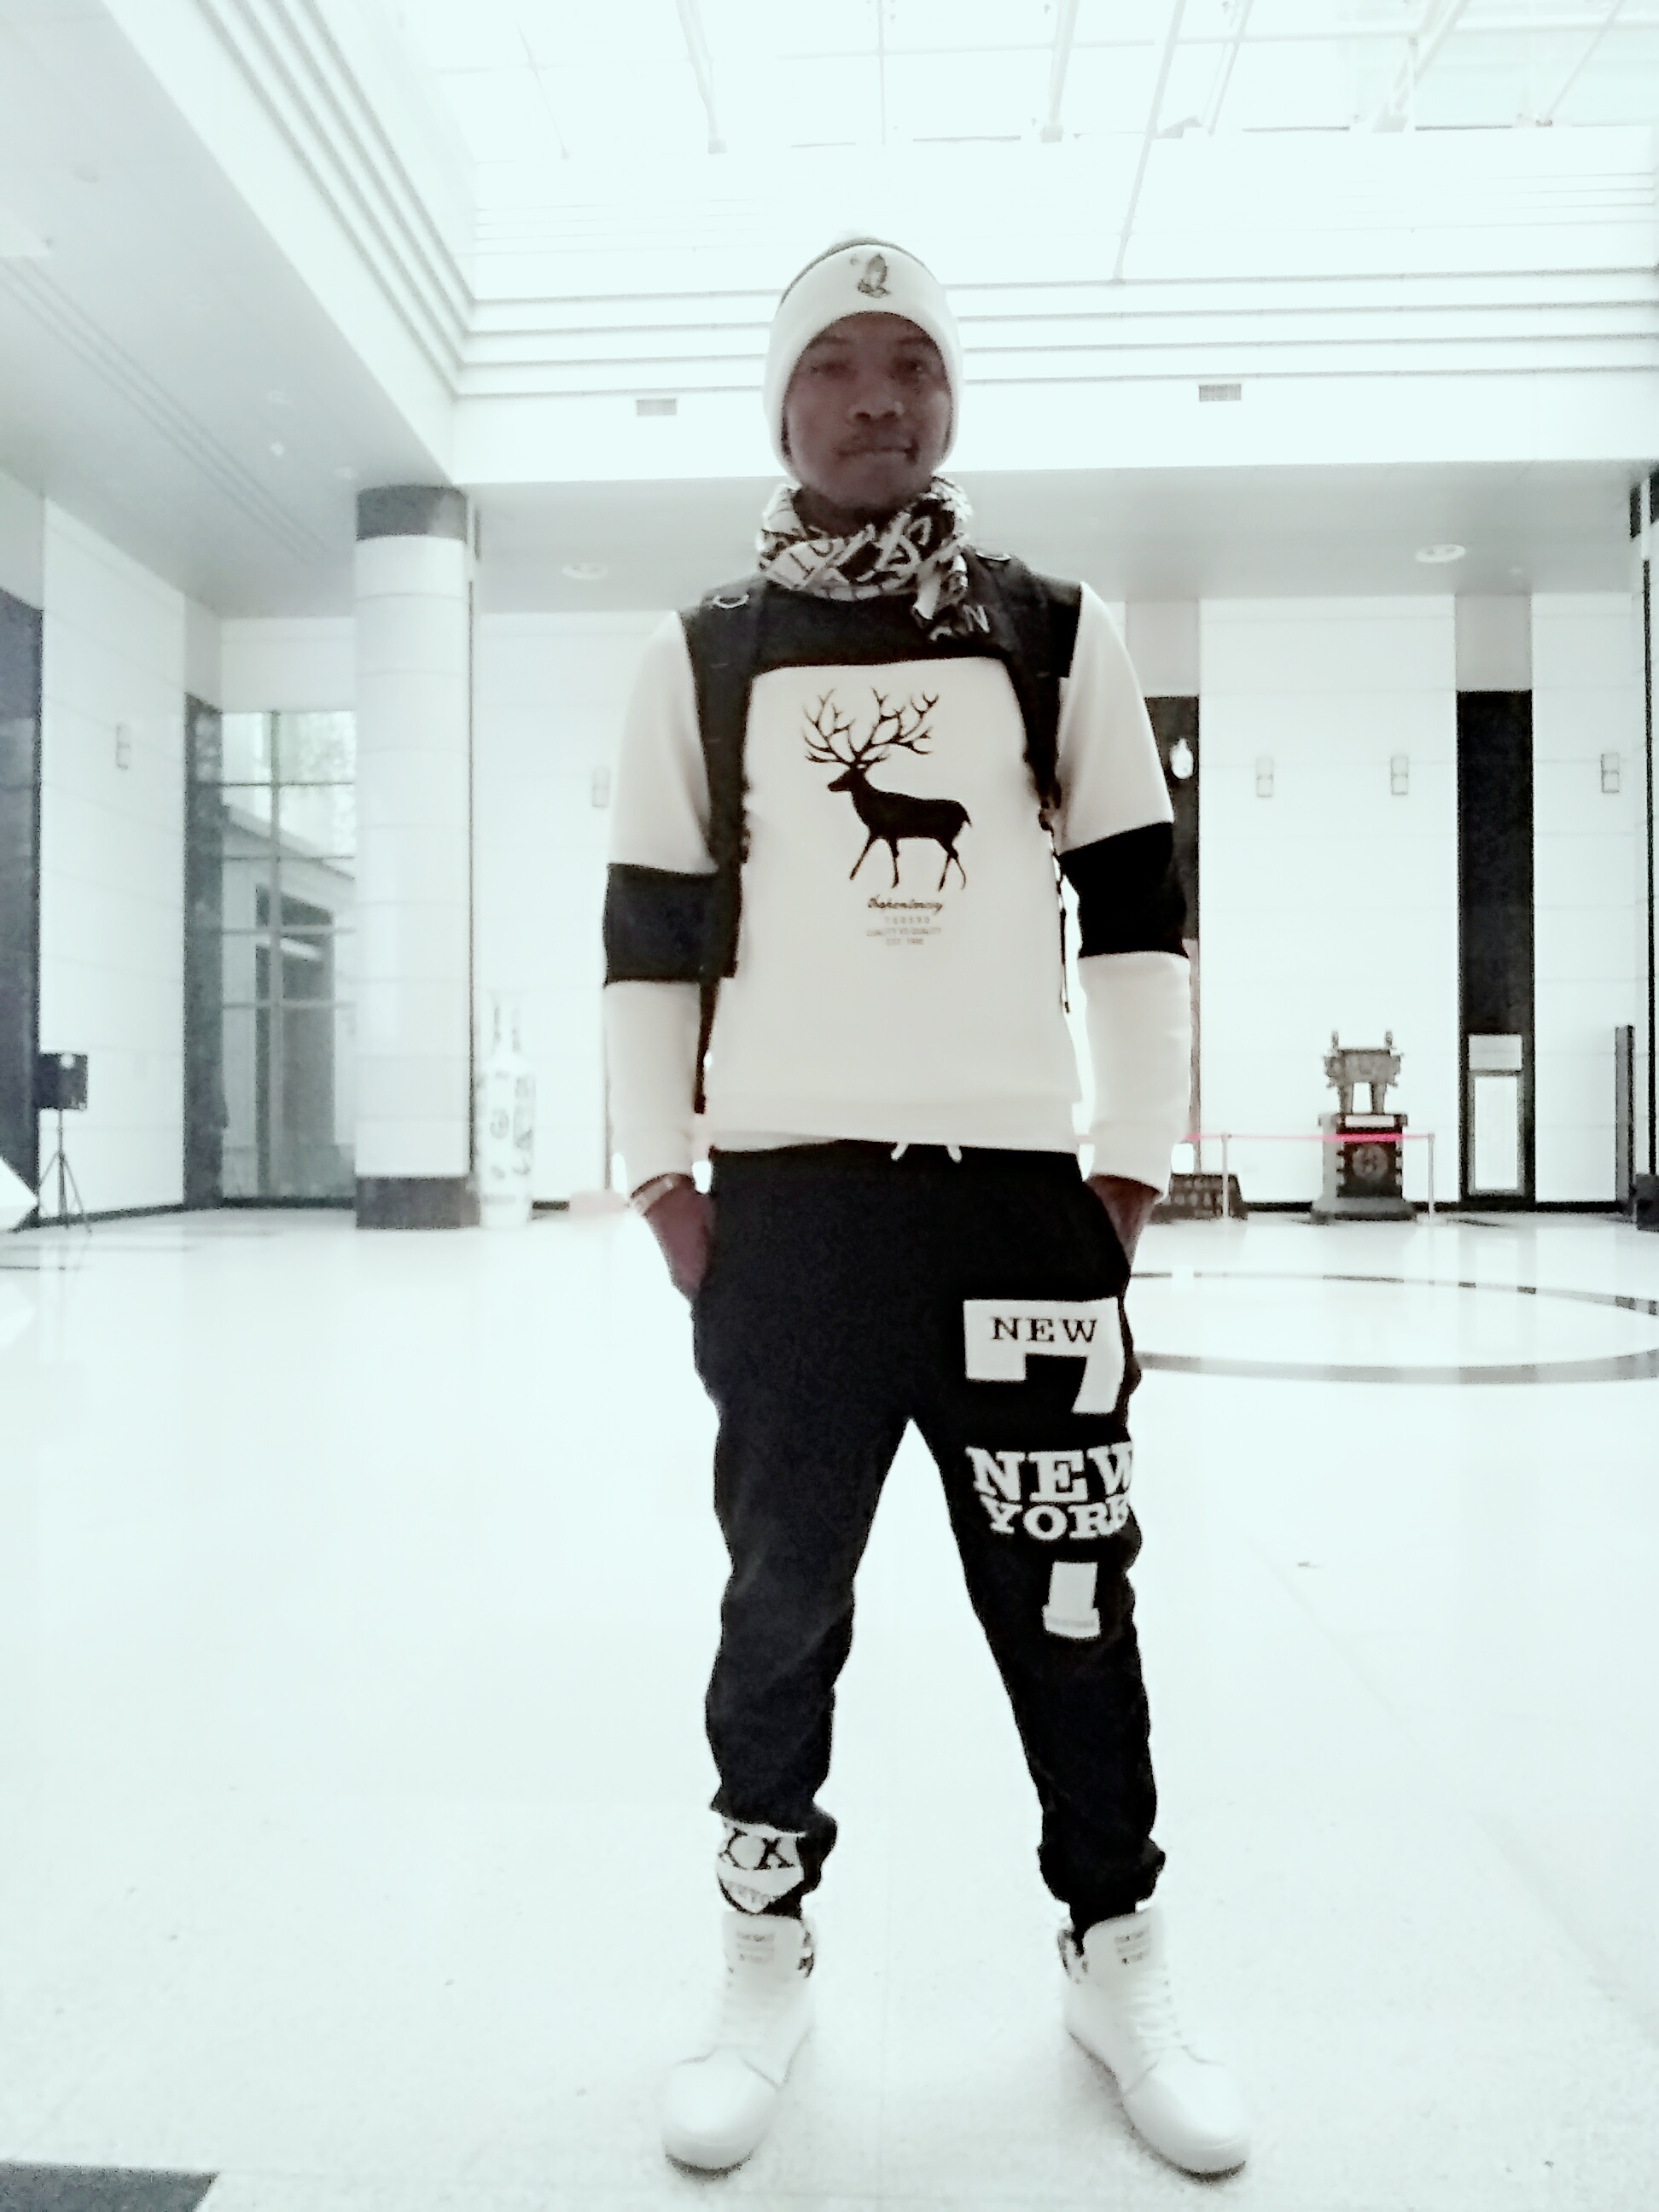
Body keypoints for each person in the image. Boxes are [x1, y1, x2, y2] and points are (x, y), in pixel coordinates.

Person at [602, 235, 1247, 2180]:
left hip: (1019, 1214)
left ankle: (1117, 1957)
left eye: (911, 363)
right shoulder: (706, 650)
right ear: (783, 404)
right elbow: (648, 930)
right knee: (780, 1604)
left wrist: (1125, 1168)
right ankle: (760, 1959)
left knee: (1073, 1605)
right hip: (790, 1222)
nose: (877, 397)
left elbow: (1138, 913)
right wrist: (665, 1178)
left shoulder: (1053, 628)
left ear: (950, 398)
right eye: (836, 364)